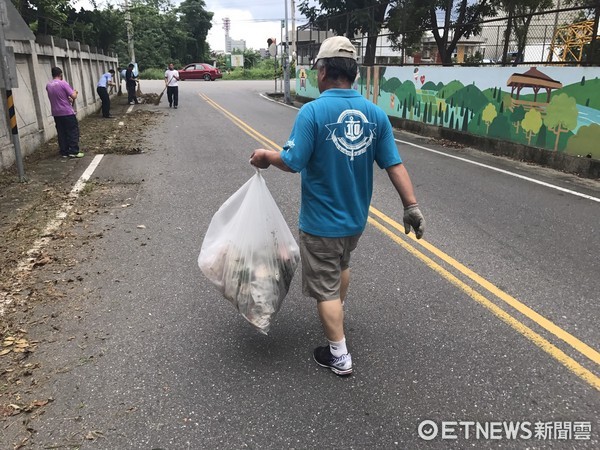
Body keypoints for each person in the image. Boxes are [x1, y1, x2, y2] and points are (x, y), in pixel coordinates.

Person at [249, 36, 425, 377]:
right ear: (354, 73)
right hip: (354, 222)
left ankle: (338, 355)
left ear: (324, 70)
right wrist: (411, 206)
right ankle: (336, 311)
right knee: (342, 263)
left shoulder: (313, 112)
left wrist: (268, 157)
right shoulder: (375, 114)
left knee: (325, 285)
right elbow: (394, 164)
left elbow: (293, 161)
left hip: (320, 224)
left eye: (317, 68)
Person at [45, 67, 84, 158]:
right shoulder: (63, 83)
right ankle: (74, 151)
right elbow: (73, 96)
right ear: (61, 74)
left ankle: (64, 151)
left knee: (61, 132)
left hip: (56, 113)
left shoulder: (48, 85)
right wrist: (75, 92)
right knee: (72, 131)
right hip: (67, 112)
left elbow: (59, 97)